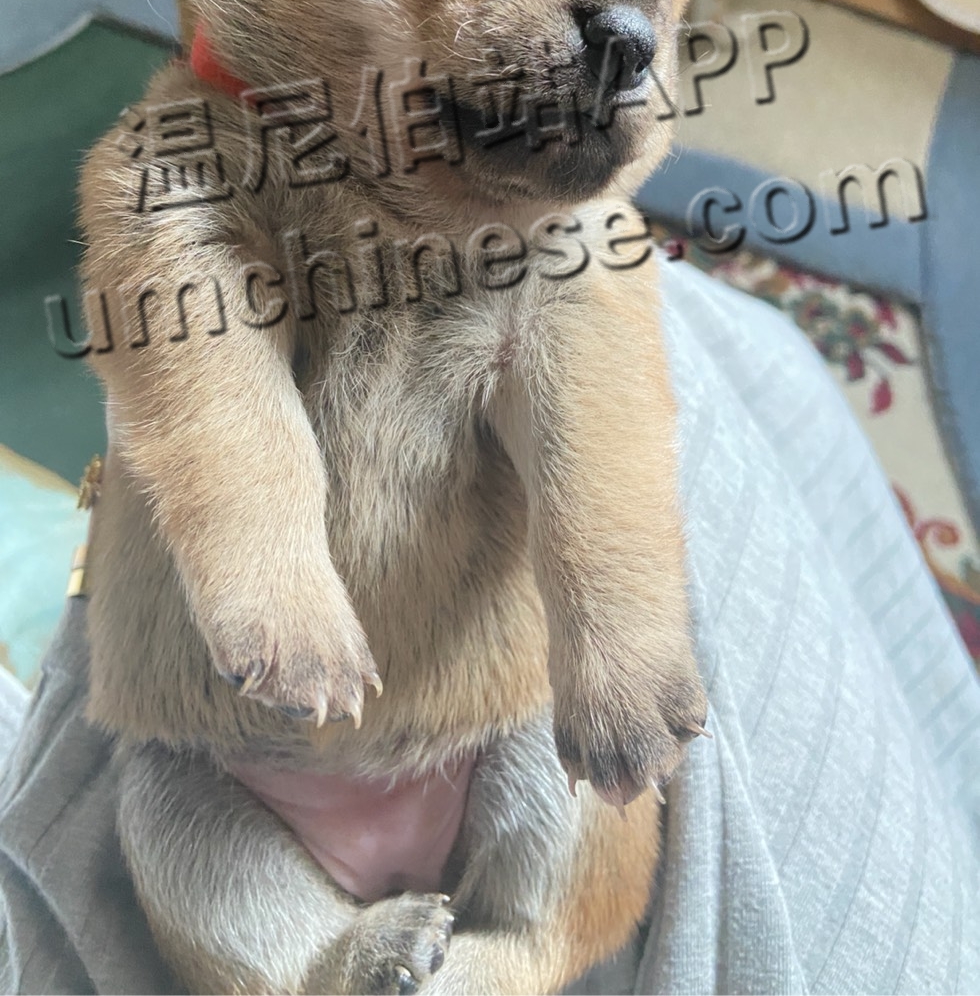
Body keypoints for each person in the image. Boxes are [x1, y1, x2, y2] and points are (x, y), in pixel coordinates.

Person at [2, 257, 979, 994]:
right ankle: (339, 963)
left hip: (483, 719)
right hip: (238, 775)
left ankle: (512, 954)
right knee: (163, 825)